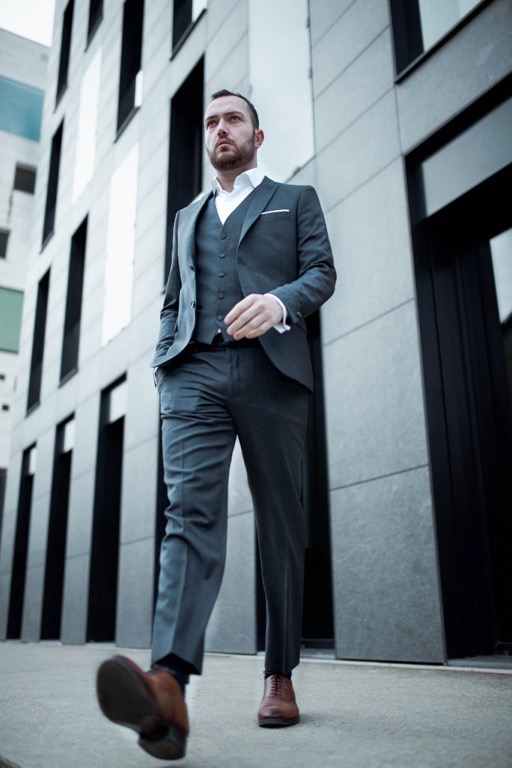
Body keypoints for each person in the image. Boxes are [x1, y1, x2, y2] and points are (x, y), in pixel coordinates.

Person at [96, 89, 336, 760]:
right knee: (189, 515)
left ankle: (279, 673)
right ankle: (168, 684)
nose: (219, 129)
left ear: (258, 135)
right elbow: (175, 296)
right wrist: (163, 359)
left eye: (232, 119)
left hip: (271, 374)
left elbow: (321, 272)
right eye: (211, 122)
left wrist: (280, 302)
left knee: (280, 523)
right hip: (192, 373)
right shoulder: (186, 216)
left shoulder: (297, 199)